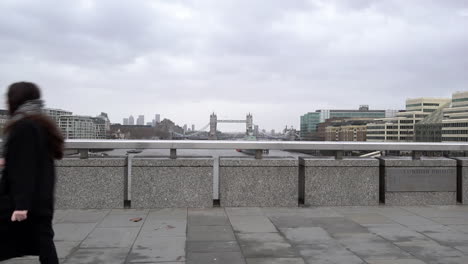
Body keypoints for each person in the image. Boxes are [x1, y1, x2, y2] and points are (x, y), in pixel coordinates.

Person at [0, 82, 64, 263]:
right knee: (44, 243)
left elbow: (24, 168)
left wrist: (21, 205)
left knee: (43, 243)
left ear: (15, 99)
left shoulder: (23, 126)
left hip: (23, 200)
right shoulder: (42, 123)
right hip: (41, 197)